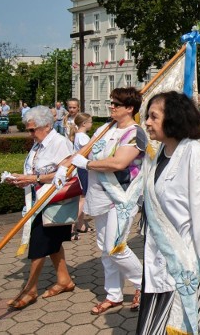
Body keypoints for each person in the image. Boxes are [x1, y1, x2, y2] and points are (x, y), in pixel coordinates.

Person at [136, 91, 200, 335]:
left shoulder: (193, 154)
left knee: (178, 327)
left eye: (153, 117)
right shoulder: (160, 154)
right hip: (157, 263)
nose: (147, 122)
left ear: (173, 119)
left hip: (184, 266)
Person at [61, 87, 147, 315]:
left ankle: (144, 285)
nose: (111, 106)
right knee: (104, 249)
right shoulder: (105, 128)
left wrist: (86, 165)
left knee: (115, 247)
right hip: (99, 195)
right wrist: (63, 167)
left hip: (121, 198)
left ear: (129, 108)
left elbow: (119, 163)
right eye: (112, 103)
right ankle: (114, 295)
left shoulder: (135, 133)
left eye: (116, 104)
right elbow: (86, 152)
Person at [5, 106, 75, 310]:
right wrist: (22, 179)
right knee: (51, 242)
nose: (30, 133)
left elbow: (67, 174)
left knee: (38, 244)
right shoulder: (38, 144)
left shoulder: (60, 143)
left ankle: (30, 289)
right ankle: (64, 280)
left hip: (54, 201)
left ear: (46, 126)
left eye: (32, 129)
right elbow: (34, 171)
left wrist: (33, 178)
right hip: (38, 201)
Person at [69, 112, 93, 238]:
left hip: (81, 168)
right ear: (84, 123)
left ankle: (80, 224)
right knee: (83, 198)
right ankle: (72, 226)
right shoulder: (83, 137)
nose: (91, 124)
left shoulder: (78, 135)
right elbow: (88, 152)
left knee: (82, 197)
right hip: (83, 168)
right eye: (90, 122)